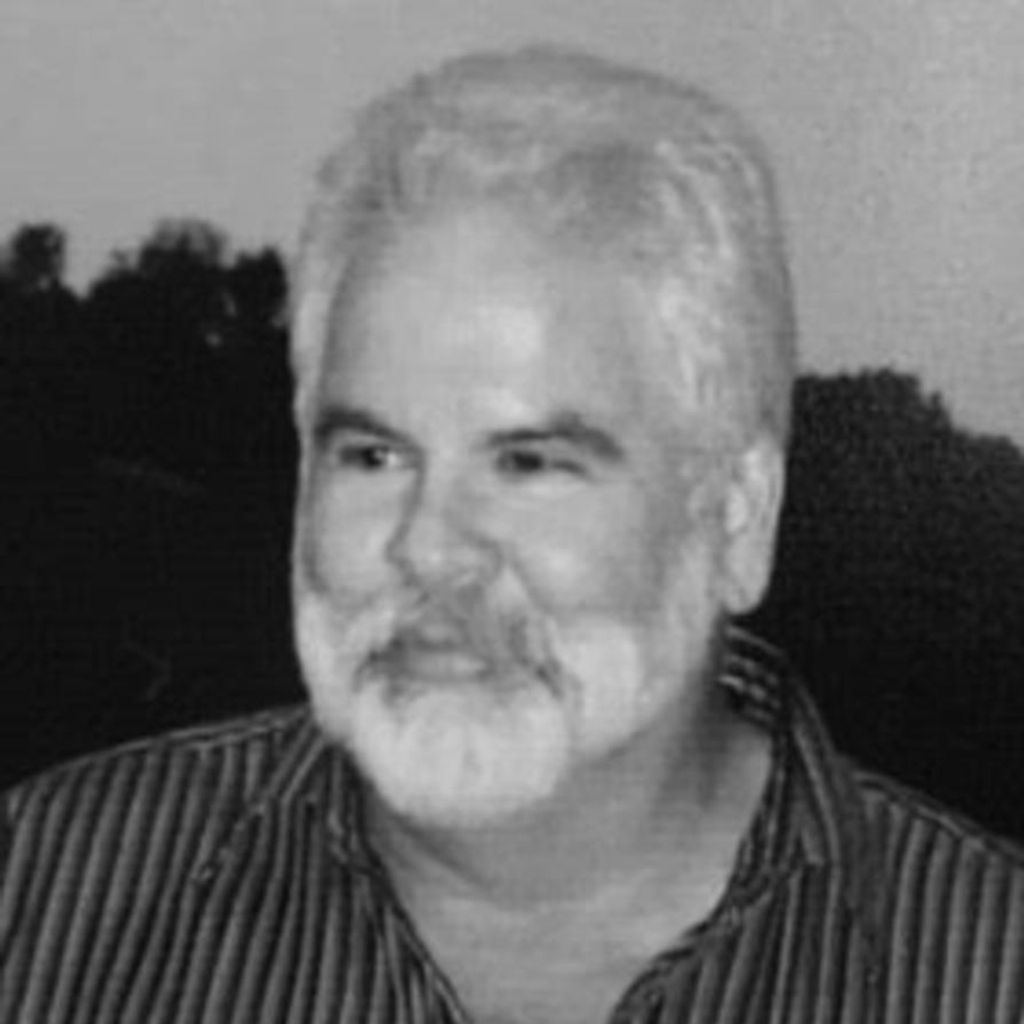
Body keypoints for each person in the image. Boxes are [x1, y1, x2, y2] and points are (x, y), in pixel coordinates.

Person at [2, 46, 1022, 1024]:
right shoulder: (42, 899)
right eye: (374, 456)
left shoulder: (985, 969)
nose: (428, 547)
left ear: (735, 514)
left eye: (528, 463)